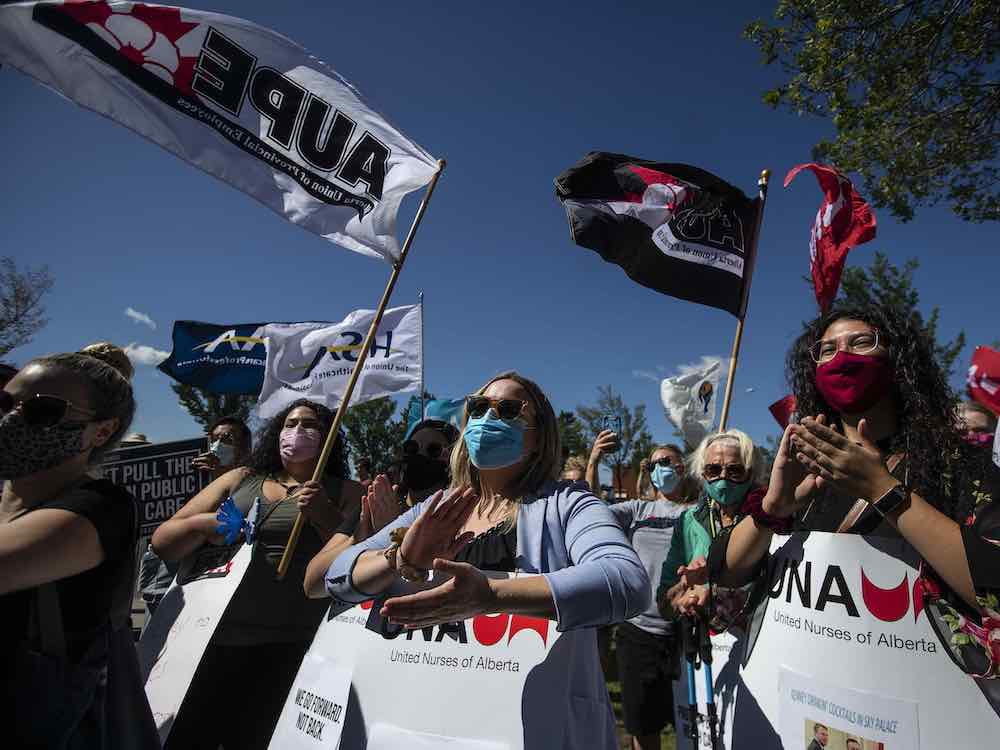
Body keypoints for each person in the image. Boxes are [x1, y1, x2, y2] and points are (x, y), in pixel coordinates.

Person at [319, 371, 650, 749]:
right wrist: (399, 559)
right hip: (422, 714)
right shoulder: (440, 506)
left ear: (539, 436)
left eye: (508, 409)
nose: (488, 418)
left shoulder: (569, 504)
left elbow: (626, 581)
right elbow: (337, 573)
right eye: (478, 407)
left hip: (530, 725)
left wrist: (490, 596)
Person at [703, 303, 1000, 679]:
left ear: (898, 360)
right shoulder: (803, 470)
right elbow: (725, 572)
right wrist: (773, 509)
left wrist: (883, 490)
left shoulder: (957, 466)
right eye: (827, 350)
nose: (842, 357)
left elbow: (993, 592)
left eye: (861, 342)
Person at [152, 398, 363, 750]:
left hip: (289, 649)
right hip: (209, 643)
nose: (297, 431)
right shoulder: (241, 479)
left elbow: (353, 568)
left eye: (310, 425)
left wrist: (325, 516)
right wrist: (209, 524)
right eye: (290, 424)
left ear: (328, 438)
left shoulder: (347, 492)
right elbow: (163, 542)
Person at [0, 345, 156, 746]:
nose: (11, 419)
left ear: (101, 431)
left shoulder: (101, 508)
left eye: (43, 410)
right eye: (4, 402)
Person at [609, 443, 699, 750]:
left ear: (681, 468)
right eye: (652, 464)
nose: (657, 467)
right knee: (644, 728)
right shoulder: (637, 510)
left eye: (665, 461)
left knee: (691, 726)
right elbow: (593, 512)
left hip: (685, 633)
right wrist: (595, 461)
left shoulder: (696, 513)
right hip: (639, 635)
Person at [655, 429, 773, 621]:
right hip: (704, 642)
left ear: (751, 473)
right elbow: (665, 601)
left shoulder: (771, 518)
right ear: (703, 474)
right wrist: (681, 596)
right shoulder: (687, 521)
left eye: (735, 470)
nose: (723, 477)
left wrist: (718, 588)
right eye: (714, 470)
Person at [398, 417, 459, 506]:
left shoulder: (467, 514)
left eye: (434, 450)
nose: (420, 453)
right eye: (412, 448)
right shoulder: (382, 511)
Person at [191, 414, 252, 479]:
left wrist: (221, 477)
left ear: (244, 449)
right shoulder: (199, 480)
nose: (215, 446)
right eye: (213, 440)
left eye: (227, 439)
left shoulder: (254, 481)